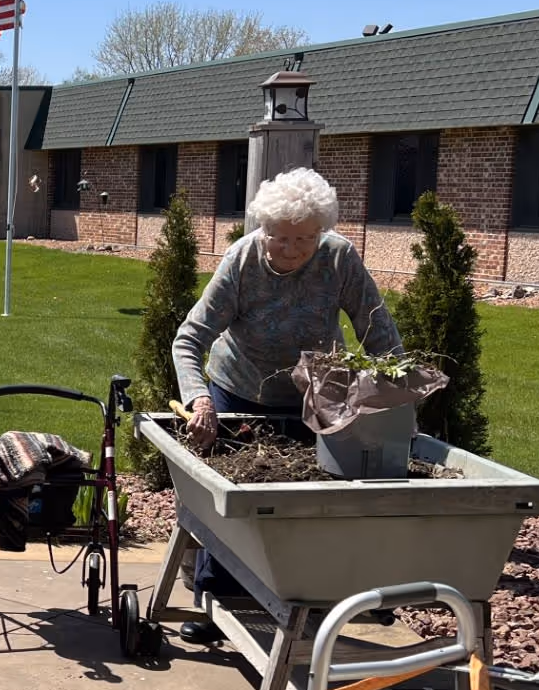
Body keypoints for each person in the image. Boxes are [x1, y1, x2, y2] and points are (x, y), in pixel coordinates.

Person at [171, 167, 403, 605]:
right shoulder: (241, 261)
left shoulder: (339, 258)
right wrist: (199, 398)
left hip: (317, 397)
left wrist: (395, 402)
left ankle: (308, 597)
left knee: (312, 504)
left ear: (322, 232)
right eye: (280, 237)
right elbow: (189, 339)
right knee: (233, 502)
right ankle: (216, 597)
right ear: (263, 227)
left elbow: (381, 337)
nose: (291, 250)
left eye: (304, 239)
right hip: (239, 390)